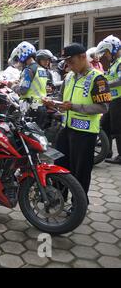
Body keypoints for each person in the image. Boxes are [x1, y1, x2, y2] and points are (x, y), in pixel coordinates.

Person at [43, 43, 111, 203]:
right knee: (60, 164)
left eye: (71, 61)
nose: (68, 66)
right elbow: (62, 100)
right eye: (66, 62)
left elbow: (103, 107)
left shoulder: (98, 78)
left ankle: (78, 203)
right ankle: (58, 198)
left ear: (82, 57)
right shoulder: (69, 77)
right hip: (67, 129)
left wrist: (74, 107)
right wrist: (52, 103)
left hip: (86, 132)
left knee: (81, 170)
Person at [11, 41, 49, 128]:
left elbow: (23, 90)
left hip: (32, 108)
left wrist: (12, 86)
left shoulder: (28, 70)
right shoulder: (41, 69)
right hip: (42, 106)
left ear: (22, 55)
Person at [96, 35, 121, 164]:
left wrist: (105, 83)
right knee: (105, 125)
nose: (105, 55)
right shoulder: (114, 64)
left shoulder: (120, 62)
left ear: (113, 49)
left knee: (117, 128)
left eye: (106, 52)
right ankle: (107, 151)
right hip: (112, 99)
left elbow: (119, 80)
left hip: (119, 100)